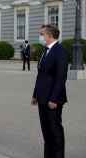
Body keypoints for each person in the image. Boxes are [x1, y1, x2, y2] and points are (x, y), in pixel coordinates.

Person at [31, 24, 68, 158]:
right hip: (42, 97)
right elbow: (40, 75)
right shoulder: (44, 51)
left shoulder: (60, 51)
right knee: (46, 131)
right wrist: (35, 94)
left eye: (42, 34)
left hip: (53, 99)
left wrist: (53, 98)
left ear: (50, 35)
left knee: (55, 130)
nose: (40, 37)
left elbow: (61, 77)